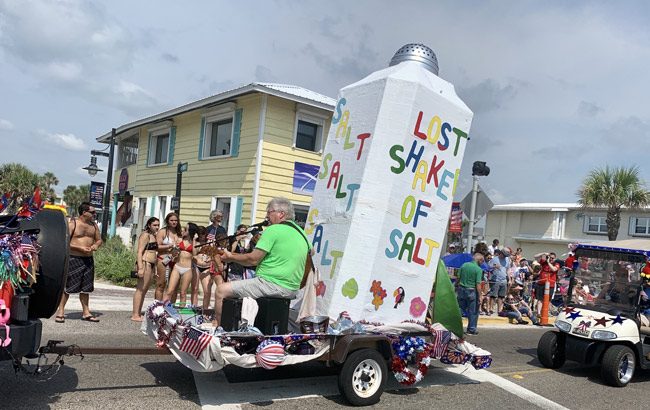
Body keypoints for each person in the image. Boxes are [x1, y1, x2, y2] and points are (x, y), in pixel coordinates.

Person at [213, 197, 310, 327]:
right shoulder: (301, 233)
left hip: (270, 284)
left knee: (221, 290)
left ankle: (219, 330)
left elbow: (253, 259)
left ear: (281, 214)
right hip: (292, 288)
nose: (266, 216)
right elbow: (310, 254)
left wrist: (230, 257)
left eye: (269, 212)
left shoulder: (273, 230)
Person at [55, 202, 103, 323]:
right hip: (74, 258)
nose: (94, 214)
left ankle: (86, 312)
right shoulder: (73, 224)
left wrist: (95, 245)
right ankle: (60, 312)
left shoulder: (94, 226)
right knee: (68, 287)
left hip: (88, 260)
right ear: (84, 212)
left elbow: (99, 240)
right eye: (92, 212)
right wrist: (80, 248)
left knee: (86, 288)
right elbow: (64, 242)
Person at [131, 217, 160, 321]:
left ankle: (138, 313)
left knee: (145, 290)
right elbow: (139, 252)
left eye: (158, 225)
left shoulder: (154, 236)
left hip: (152, 264)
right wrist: (140, 267)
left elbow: (155, 253)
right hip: (145, 262)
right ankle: (135, 314)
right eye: (154, 225)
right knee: (140, 289)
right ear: (149, 225)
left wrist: (155, 269)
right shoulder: (145, 235)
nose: (157, 227)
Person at [163, 222, 198, 306]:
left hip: (188, 269)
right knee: (170, 291)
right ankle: (163, 309)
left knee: (183, 293)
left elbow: (194, 254)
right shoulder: (179, 239)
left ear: (190, 231)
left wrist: (194, 240)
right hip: (177, 266)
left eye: (186, 229)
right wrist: (175, 249)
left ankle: (182, 313)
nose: (183, 230)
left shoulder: (195, 243)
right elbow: (173, 252)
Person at [456, 252, 484, 335]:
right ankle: (471, 329)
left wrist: (455, 287)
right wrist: (480, 296)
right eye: (482, 261)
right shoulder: (478, 269)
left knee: (460, 309)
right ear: (479, 260)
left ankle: (453, 326)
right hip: (472, 291)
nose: (482, 263)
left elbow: (458, 277)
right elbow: (478, 284)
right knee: (473, 311)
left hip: (461, 289)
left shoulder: (464, 265)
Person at [155, 213, 181, 301]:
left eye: (176, 220)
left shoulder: (179, 232)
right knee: (161, 284)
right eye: (172, 220)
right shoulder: (163, 232)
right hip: (164, 259)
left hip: (176, 261)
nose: (174, 222)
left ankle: (170, 307)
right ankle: (157, 306)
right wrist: (169, 246)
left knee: (174, 287)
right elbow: (157, 247)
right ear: (167, 221)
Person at [488, 248, 510, 315]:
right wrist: (494, 266)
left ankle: (499, 310)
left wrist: (509, 279)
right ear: (501, 253)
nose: (505, 257)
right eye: (504, 255)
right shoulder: (494, 259)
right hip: (496, 280)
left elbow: (507, 269)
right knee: (493, 295)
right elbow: (488, 267)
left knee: (501, 296)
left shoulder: (507, 260)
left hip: (504, 280)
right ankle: (491, 309)